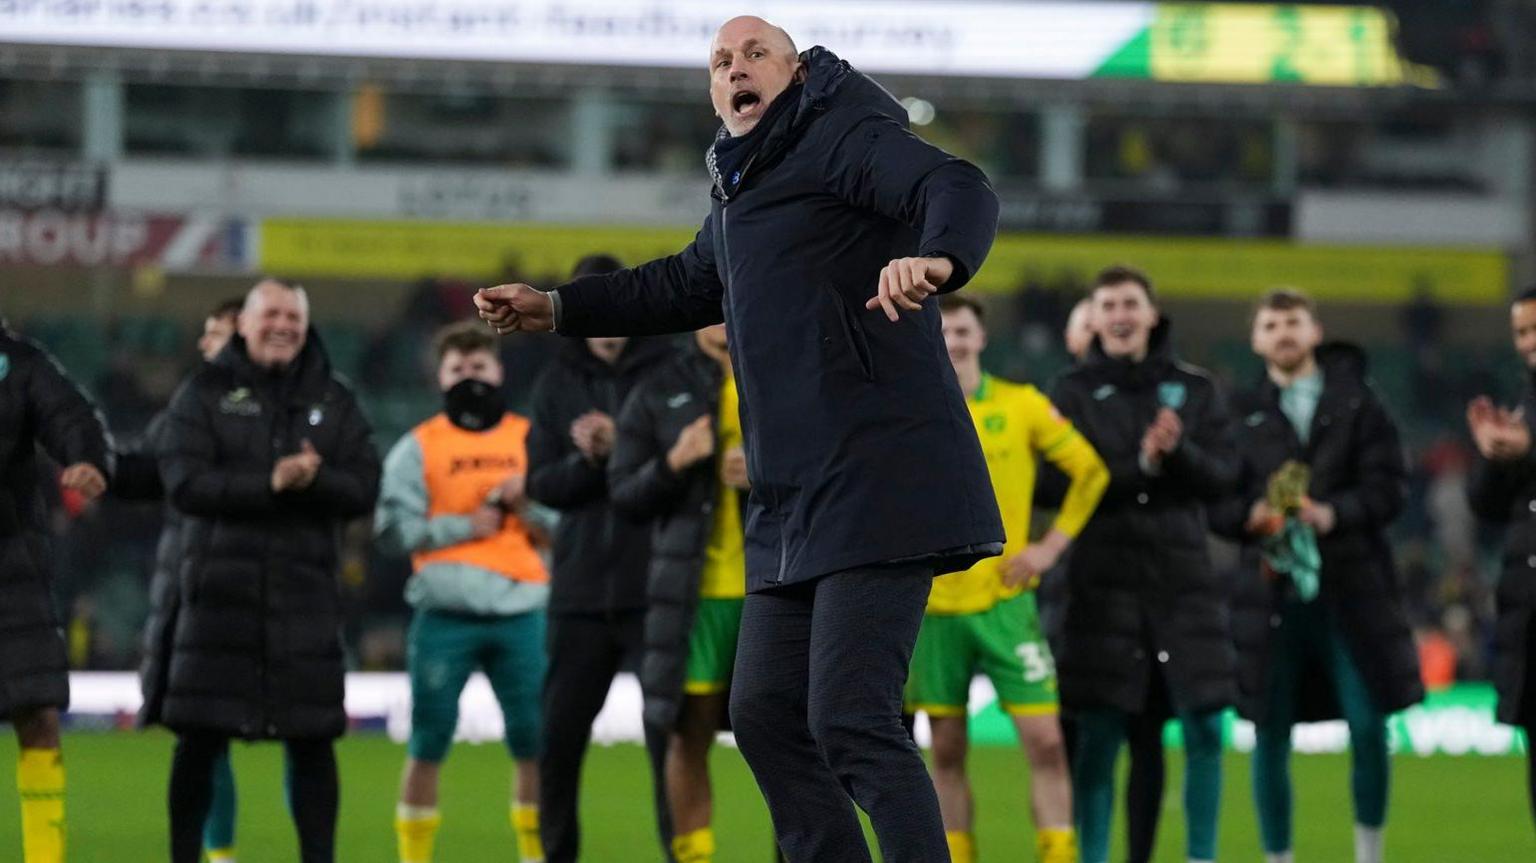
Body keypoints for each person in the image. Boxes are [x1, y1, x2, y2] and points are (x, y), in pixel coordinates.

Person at [476, 16, 1003, 861]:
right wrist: (560, 308)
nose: (735, 68)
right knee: (760, 712)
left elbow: (961, 185)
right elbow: (684, 284)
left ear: (794, 74)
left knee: (851, 718)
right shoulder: (741, 191)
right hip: (792, 498)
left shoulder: (842, 137)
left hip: (881, 478)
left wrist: (937, 260)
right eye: (720, 61)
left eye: (755, 53)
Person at [158, 279, 380, 863]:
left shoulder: (336, 399)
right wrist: (269, 484)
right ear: (244, 324)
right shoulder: (202, 393)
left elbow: (365, 485)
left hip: (305, 600)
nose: (283, 325)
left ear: (307, 326)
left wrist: (318, 480)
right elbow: (182, 483)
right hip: (217, 602)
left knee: (312, 742)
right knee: (199, 742)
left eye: (294, 316)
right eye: (271, 314)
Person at [1210, 289, 1420, 863]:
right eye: (1271, 324)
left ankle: (1368, 855)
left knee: (1369, 724)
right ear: (1256, 340)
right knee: (1269, 734)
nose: (1282, 333)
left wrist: (1335, 513)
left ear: (1315, 331)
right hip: (1270, 592)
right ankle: (1280, 859)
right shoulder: (1238, 412)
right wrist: (1248, 516)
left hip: (1351, 592)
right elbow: (1216, 499)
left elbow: (1392, 488)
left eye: (1292, 323)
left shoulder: (1361, 404)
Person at [908, 294, 1107, 863]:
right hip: (935, 605)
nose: (954, 340)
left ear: (982, 337)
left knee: (1046, 742)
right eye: (942, 331)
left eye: (963, 330)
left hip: (1006, 602)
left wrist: (1049, 548)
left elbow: (1090, 471)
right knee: (945, 751)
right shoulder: (909, 409)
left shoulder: (1022, 405)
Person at [1050, 266, 1238, 863]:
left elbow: (1225, 477)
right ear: (1096, 318)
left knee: (1206, 726)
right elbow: (1055, 483)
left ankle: (1201, 857)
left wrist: (1177, 452)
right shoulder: (1070, 393)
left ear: (1152, 315)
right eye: (1108, 304)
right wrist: (1142, 467)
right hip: (1101, 586)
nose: (1121, 314)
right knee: (1100, 736)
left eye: (1131, 303)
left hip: (1183, 586)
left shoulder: (1198, 389)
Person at [375, 321, 552, 863]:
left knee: (534, 744)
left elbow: (566, 524)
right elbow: (389, 529)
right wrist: (459, 527)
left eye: (479, 367)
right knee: (427, 743)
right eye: (458, 369)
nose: (469, 377)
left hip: (521, 607)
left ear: (498, 372)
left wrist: (528, 506)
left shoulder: (531, 438)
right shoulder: (418, 447)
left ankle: (534, 855)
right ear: (440, 379)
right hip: (444, 613)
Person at [522, 253, 676, 863]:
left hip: (653, 585)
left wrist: (620, 446)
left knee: (668, 743)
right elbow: (541, 483)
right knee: (557, 744)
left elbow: (683, 470)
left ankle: (680, 853)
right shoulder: (555, 383)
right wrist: (592, 460)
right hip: (580, 590)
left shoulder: (669, 372)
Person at [607, 323, 751, 863]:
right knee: (686, 736)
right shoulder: (658, 387)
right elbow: (624, 491)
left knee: (790, 743)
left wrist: (769, 473)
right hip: (694, 596)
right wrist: (677, 462)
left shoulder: (782, 368)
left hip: (776, 592)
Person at [112, 297, 246, 863]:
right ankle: (217, 856)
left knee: (302, 739)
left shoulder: (301, 399)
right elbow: (143, 465)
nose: (203, 344)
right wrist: (85, 457)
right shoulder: (190, 404)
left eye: (215, 333)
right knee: (202, 734)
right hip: (194, 582)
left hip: (259, 582)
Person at [0, 319, 113, 863]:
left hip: (10, 572)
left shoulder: (19, 364)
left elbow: (71, 415)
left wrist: (86, 456)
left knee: (38, 718)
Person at [1466, 285, 1536, 837]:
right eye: (1521, 332)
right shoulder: (1523, 406)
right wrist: (1493, 458)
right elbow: (1487, 508)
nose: (1530, 343)